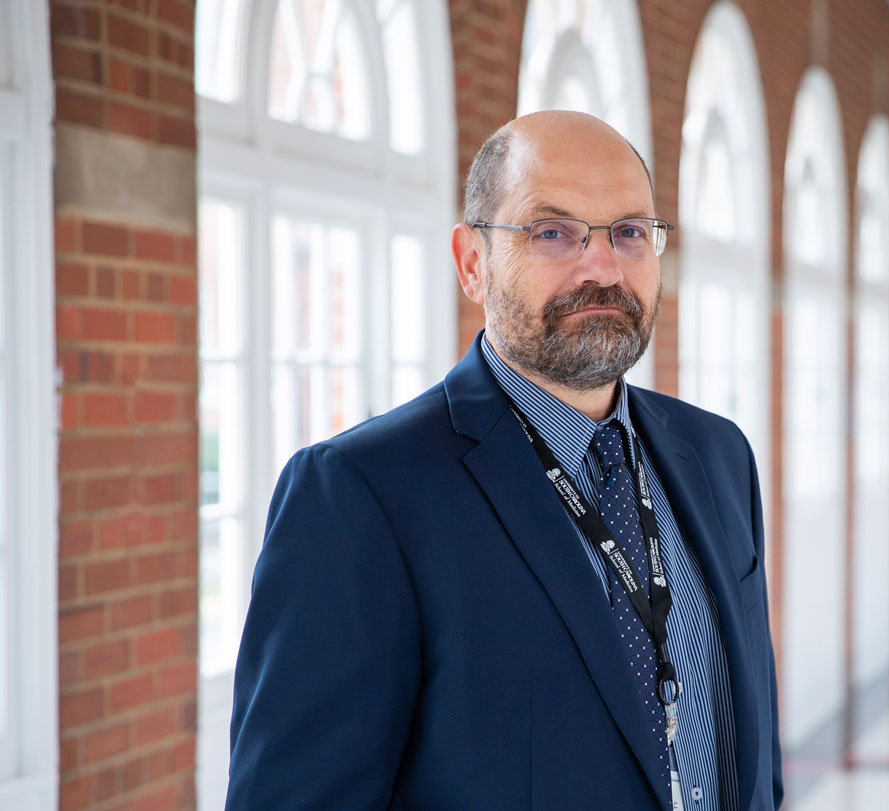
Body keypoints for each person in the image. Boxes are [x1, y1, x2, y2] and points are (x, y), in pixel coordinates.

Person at [227, 111, 783, 810]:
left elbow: (756, 759)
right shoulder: (361, 495)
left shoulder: (720, 455)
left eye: (630, 232)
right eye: (553, 232)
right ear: (471, 262)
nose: (603, 267)